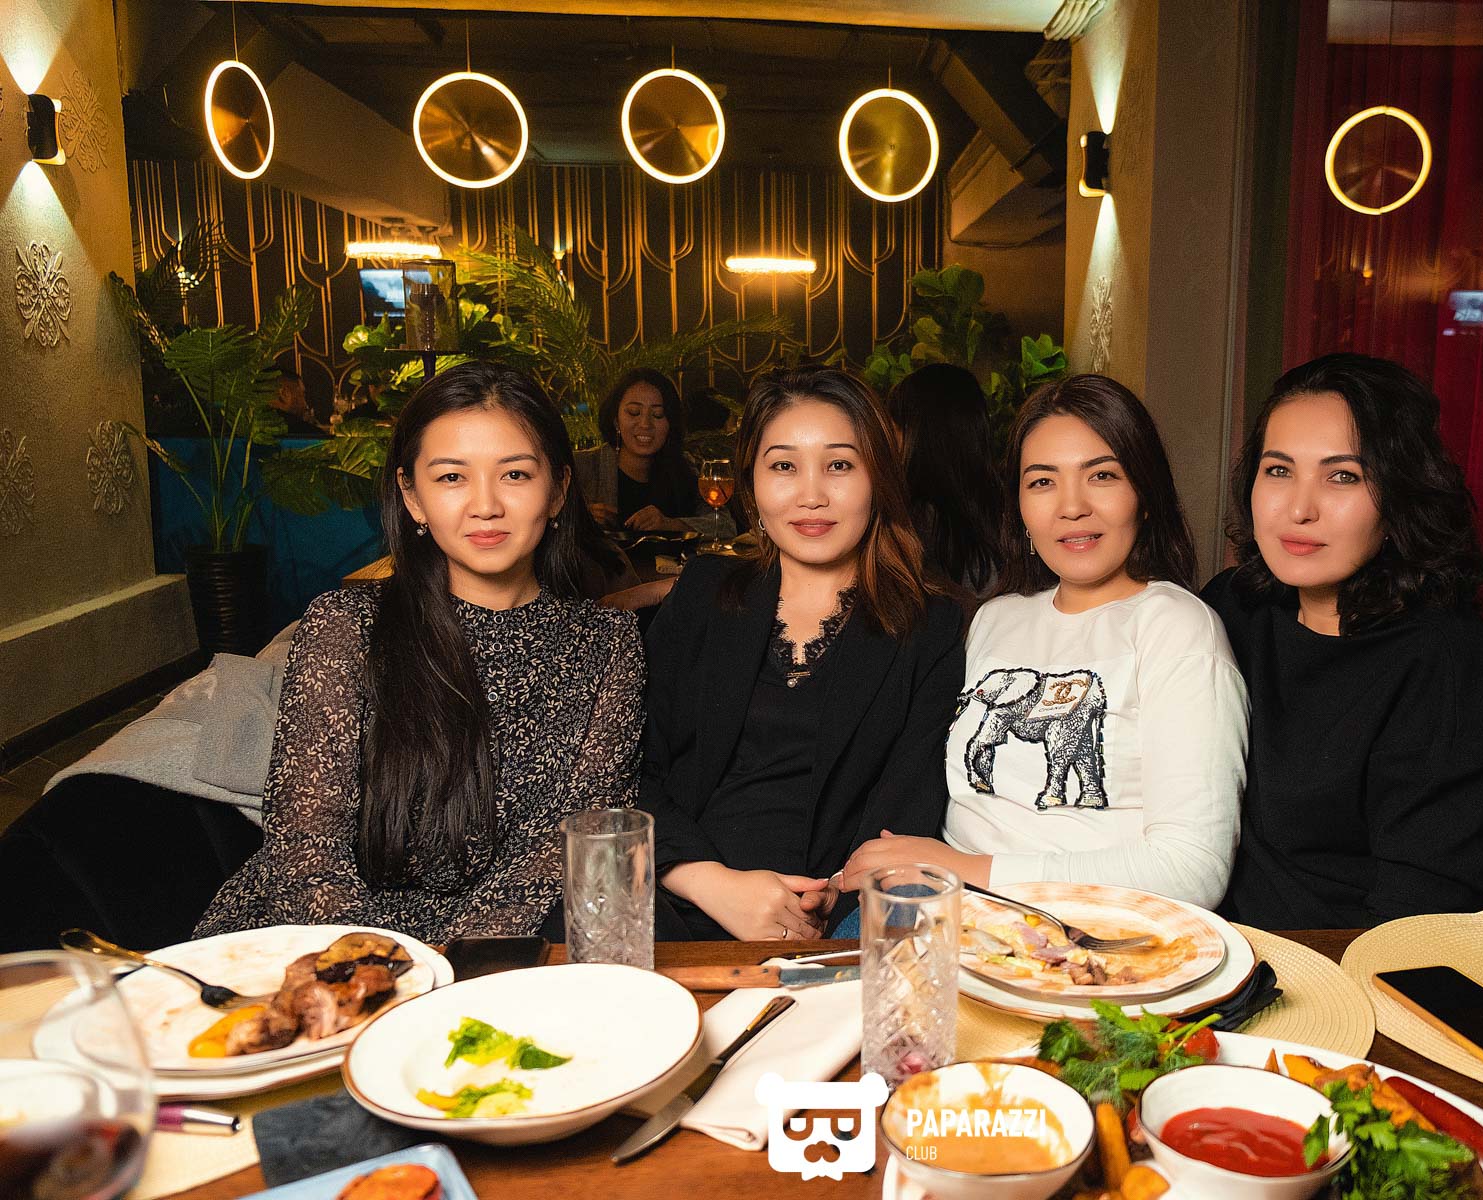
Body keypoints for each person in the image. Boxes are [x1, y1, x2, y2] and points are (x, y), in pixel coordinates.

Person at [195, 362, 644, 942]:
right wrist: (390, 967)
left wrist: (456, 963)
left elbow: (569, 847)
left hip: (499, 951)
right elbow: (305, 851)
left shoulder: (608, 643)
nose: (485, 505)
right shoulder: (347, 626)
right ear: (412, 497)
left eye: (514, 474)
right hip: (321, 947)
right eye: (452, 477)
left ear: (557, 490)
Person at [841, 374, 1247, 908]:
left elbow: (1193, 870)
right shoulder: (994, 619)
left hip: (1086, 926)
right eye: (1042, 482)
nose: (1071, 506)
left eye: (1102, 475)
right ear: (1019, 508)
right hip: (938, 907)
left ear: (1145, 495)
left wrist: (967, 870)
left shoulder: (1176, 626)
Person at [1202, 352, 1483, 929]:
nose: (1299, 509)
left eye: (1343, 476)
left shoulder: (1446, 674)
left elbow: (1413, 932)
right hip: (1222, 940)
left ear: (1400, 494)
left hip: (1356, 956)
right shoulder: (1234, 608)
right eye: (1278, 471)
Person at [640, 365, 965, 941]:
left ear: (878, 478)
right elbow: (632, 766)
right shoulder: (704, 593)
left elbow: (909, 806)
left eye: (839, 465)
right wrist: (706, 881)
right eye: (784, 466)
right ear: (751, 482)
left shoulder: (929, 624)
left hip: (835, 921)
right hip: (677, 902)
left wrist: (829, 899)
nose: (811, 496)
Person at [889, 364, 1005, 599]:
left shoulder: (906, 522)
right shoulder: (1008, 508)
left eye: (893, 431)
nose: (889, 444)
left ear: (915, 435)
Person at [601, 367, 700, 531]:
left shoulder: (684, 468)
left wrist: (670, 524)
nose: (645, 424)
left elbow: (723, 524)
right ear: (616, 421)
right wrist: (580, 518)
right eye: (634, 412)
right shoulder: (583, 467)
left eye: (658, 414)